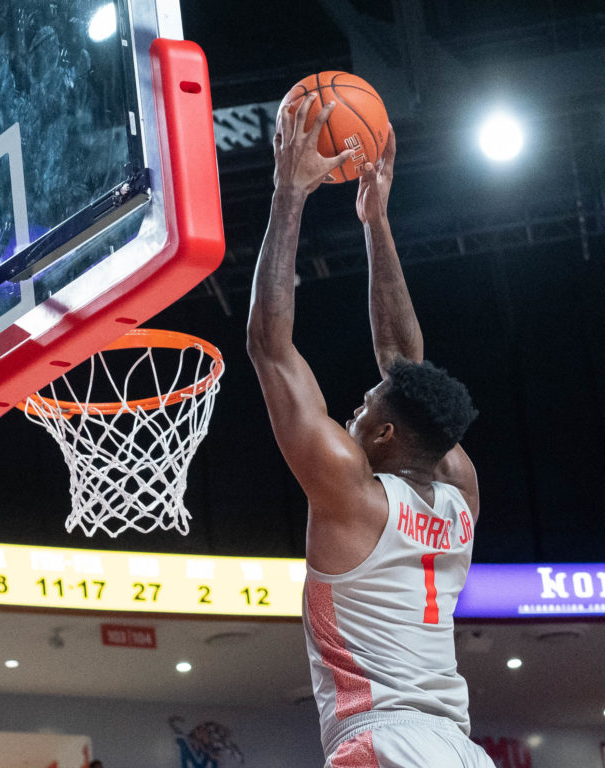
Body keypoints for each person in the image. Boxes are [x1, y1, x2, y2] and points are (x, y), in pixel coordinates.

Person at [247, 93, 492, 768]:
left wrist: (287, 195)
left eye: (361, 411)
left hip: (387, 744)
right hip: (461, 751)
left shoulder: (354, 498)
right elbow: (404, 369)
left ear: (385, 439)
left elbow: (271, 348)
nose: (351, 415)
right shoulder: (458, 492)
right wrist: (376, 223)